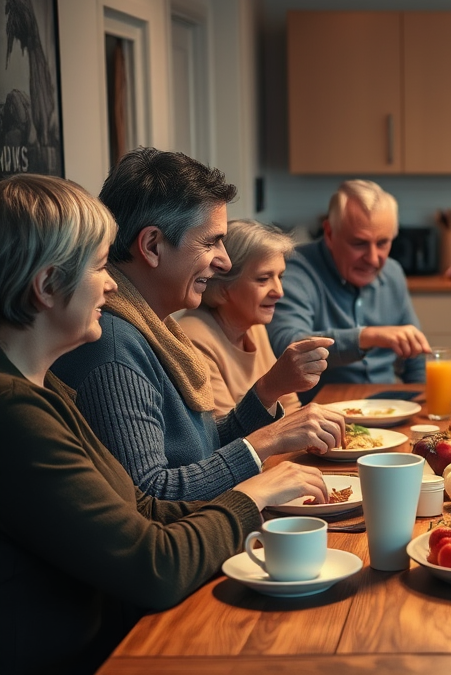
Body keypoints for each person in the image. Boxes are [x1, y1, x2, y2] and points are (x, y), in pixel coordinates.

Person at [0, 174, 328, 675]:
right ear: (46, 286)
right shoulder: (39, 399)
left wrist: (261, 450)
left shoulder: (48, 389)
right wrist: (255, 491)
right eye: (98, 266)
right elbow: (152, 557)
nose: (109, 285)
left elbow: (146, 501)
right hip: (110, 652)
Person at [53, 148, 345, 501]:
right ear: (152, 245)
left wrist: (266, 397)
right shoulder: (114, 347)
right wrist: (265, 441)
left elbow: (197, 452)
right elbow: (152, 495)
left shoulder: (150, 326)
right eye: (211, 241)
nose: (224, 261)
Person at [267, 179, 451, 391]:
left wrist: (426, 405)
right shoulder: (294, 268)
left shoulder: (392, 272)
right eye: (359, 243)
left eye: (383, 243)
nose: (374, 258)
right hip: (322, 415)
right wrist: (367, 336)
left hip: (387, 409)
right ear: (329, 232)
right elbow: (287, 345)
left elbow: (415, 359)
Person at [178, 219, 305, 417]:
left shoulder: (252, 325)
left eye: (280, 277)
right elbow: (225, 433)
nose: (279, 292)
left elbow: (289, 406)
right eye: (263, 279)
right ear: (222, 287)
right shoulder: (193, 339)